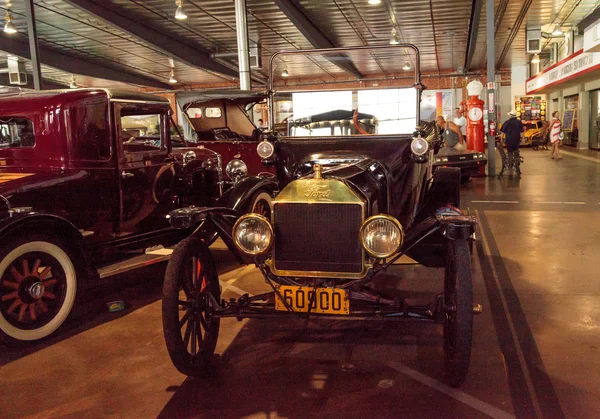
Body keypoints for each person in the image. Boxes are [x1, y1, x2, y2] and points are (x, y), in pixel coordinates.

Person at [500, 110, 524, 175]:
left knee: (509, 152)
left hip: (508, 140)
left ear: (510, 115)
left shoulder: (507, 122)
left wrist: (501, 139)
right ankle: (517, 167)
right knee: (516, 152)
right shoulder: (519, 122)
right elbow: (521, 132)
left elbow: (502, 132)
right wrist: (523, 139)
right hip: (516, 140)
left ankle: (510, 164)